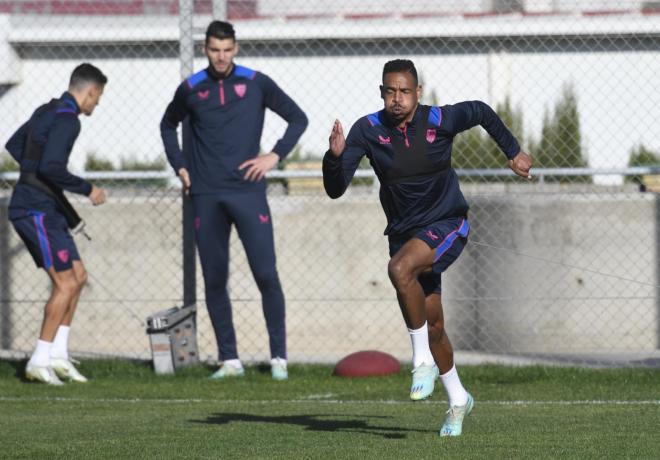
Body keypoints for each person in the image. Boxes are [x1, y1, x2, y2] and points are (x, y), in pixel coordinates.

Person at [323, 59, 532, 436]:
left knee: (399, 270)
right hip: (404, 236)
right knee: (433, 325)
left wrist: (512, 151)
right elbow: (336, 188)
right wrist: (334, 158)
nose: (397, 99)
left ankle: (420, 363)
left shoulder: (440, 119)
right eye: (390, 91)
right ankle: (457, 399)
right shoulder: (367, 130)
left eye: (405, 91)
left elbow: (482, 112)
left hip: (447, 224)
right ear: (382, 92)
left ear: (418, 92)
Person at [160, 20, 308, 381]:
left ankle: (278, 360)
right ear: (205, 50)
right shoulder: (191, 88)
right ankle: (230, 360)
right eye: (214, 50)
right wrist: (180, 166)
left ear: (235, 48)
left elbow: (297, 118)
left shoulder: (256, 82)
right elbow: (167, 125)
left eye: (227, 50)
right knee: (215, 278)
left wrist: (273, 156)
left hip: (248, 193)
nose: (221, 57)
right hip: (206, 194)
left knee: (266, 274)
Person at [6, 63, 108, 385]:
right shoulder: (68, 120)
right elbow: (51, 167)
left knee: (78, 277)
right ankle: (39, 359)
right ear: (90, 91)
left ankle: (59, 357)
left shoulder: (47, 110)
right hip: (35, 210)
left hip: (45, 208)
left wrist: (33, 175)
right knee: (65, 284)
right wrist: (87, 189)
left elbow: (14, 145)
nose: (97, 103)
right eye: (98, 97)